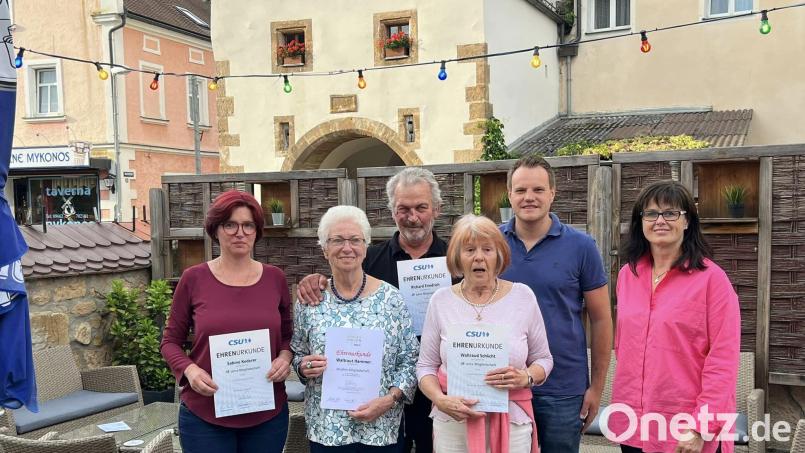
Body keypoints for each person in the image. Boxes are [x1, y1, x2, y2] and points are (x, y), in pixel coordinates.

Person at [297, 167, 449, 453]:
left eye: (421, 207)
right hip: (376, 397)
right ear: (392, 212)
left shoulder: (455, 261)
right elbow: (339, 284)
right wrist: (314, 280)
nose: (412, 216)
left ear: (436, 210)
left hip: (441, 388)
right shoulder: (369, 260)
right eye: (403, 208)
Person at [608, 180, 740, 453]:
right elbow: (625, 346)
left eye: (671, 213)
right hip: (635, 422)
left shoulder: (712, 280)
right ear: (640, 221)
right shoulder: (627, 276)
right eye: (651, 213)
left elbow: (723, 360)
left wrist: (701, 426)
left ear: (688, 221)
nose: (660, 220)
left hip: (687, 429)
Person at [161, 190, 293, 453]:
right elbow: (170, 342)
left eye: (248, 225)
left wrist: (285, 357)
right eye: (230, 224)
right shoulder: (193, 278)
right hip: (205, 415)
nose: (239, 232)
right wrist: (190, 370)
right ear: (216, 230)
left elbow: (289, 336)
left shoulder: (275, 279)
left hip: (266, 414)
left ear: (257, 231)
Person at [501, 155, 613, 452]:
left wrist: (597, 387)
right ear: (509, 194)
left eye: (538, 190)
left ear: (552, 193)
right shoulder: (491, 245)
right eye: (521, 190)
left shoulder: (581, 247)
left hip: (563, 388)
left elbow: (602, 318)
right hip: (503, 385)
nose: (529, 197)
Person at [417, 214, 553, 453]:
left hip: (512, 421)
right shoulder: (441, 301)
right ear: (457, 257)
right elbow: (425, 366)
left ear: (499, 255)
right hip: (453, 422)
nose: (479, 256)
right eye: (469, 250)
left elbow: (544, 359)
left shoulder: (523, 297)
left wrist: (526, 377)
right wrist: (440, 399)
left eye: (487, 249)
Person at [291, 205, 419, 452]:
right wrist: (304, 366)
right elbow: (297, 355)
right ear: (324, 248)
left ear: (365, 246)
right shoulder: (310, 301)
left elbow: (410, 360)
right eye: (337, 240)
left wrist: (389, 399)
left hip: (381, 427)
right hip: (327, 429)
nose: (347, 247)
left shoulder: (391, 299)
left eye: (355, 240)